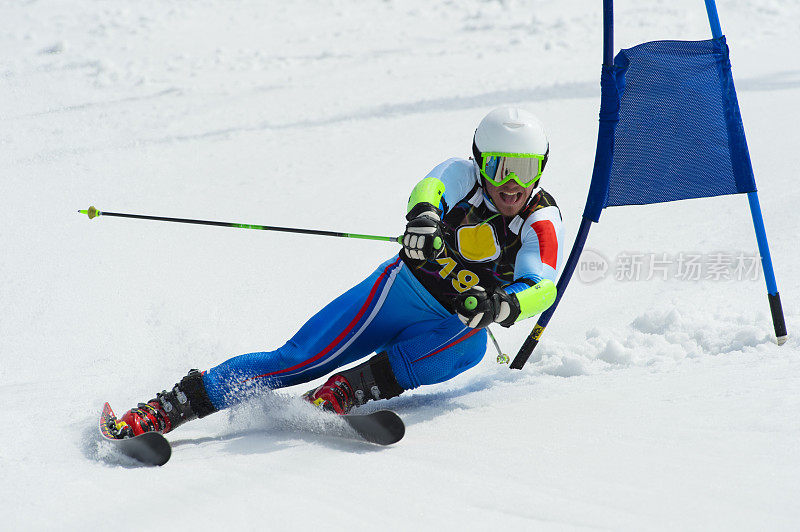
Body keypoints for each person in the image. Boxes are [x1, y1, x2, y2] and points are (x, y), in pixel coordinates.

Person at [111, 106, 565, 438]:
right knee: (297, 360)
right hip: (399, 293)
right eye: (501, 167)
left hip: (449, 322)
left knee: (470, 346)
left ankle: (349, 389)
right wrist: (424, 217)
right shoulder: (461, 176)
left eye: (525, 170)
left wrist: (505, 304)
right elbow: (431, 188)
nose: (512, 184)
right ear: (480, 161)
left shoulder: (540, 219)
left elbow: (542, 284)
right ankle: (172, 406)